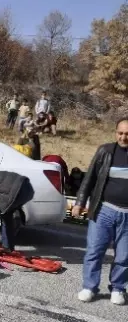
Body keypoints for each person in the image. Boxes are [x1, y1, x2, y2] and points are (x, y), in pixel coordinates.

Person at [72, 117, 128, 305]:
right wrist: (79, 202)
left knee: (124, 255)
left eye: (127, 134)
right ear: (115, 133)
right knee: (95, 251)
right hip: (104, 210)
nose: (123, 137)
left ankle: (118, 288)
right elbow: (89, 179)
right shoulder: (105, 151)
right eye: (120, 133)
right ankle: (89, 287)